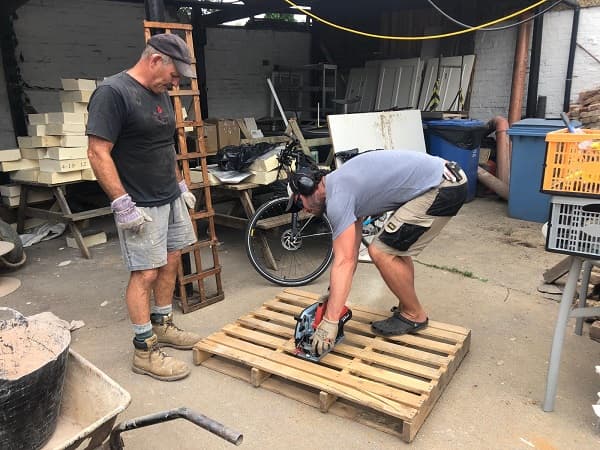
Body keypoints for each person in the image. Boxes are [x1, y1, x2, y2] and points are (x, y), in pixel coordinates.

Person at [87, 33, 201, 381]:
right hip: (140, 203)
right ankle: (144, 350)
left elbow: (165, 144)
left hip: (168, 195)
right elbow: (98, 152)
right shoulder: (113, 93)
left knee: (171, 260)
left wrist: (180, 182)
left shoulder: (160, 94)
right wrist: (121, 203)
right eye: (174, 74)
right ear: (155, 61)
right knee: (145, 273)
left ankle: (163, 322)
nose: (175, 81)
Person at [286, 149, 468, 357]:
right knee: (394, 249)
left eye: (299, 203)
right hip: (447, 177)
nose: (303, 210)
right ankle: (408, 307)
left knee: (381, 252)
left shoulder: (338, 198)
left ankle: (414, 314)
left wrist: (330, 321)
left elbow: (344, 262)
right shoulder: (340, 185)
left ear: (309, 188)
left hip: (443, 186)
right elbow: (350, 255)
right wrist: (333, 293)